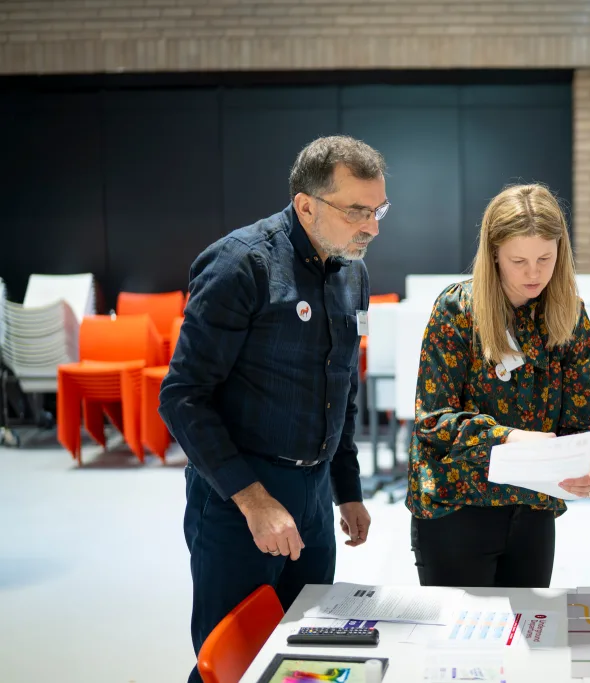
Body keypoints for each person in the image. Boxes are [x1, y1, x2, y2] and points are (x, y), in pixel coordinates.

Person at [159, 135, 387, 683]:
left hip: (312, 499)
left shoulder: (351, 272)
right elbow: (183, 395)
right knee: (233, 662)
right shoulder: (241, 265)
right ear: (307, 204)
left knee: (306, 657)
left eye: (378, 209)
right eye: (357, 210)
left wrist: (347, 488)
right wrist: (254, 502)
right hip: (240, 498)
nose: (372, 227)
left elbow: (342, 389)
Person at [407, 183, 590, 588]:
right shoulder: (457, 310)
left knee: (530, 639)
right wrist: (510, 439)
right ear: (494, 255)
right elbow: (433, 422)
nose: (534, 273)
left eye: (546, 257)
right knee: (460, 644)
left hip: (532, 506)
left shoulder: (569, 315)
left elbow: (585, 416)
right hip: (457, 507)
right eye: (518, 260)